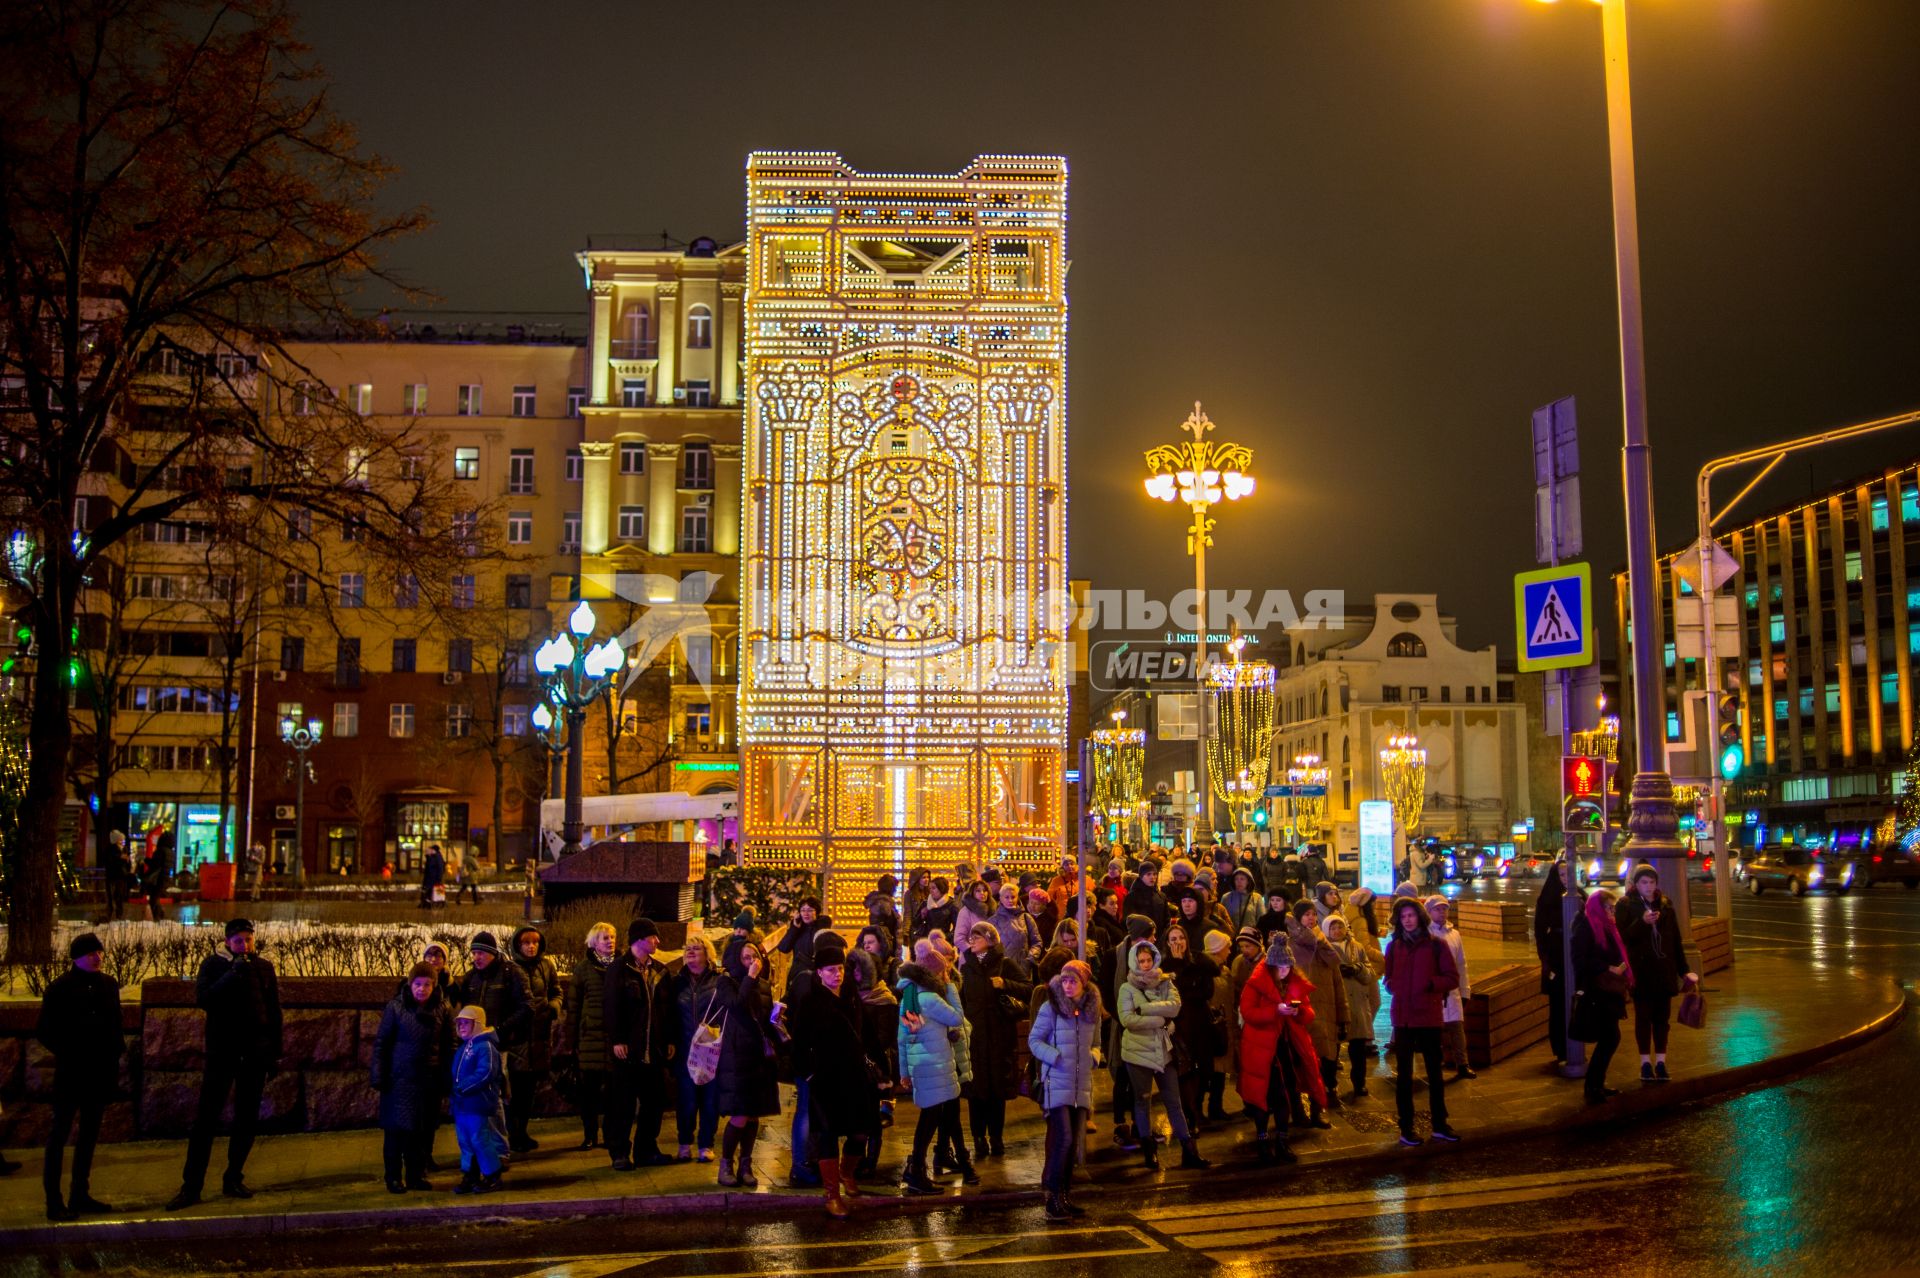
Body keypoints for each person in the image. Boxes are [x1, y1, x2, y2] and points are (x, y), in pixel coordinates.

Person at [166, 919, 284, 1210]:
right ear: (228, 941)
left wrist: (274, 1052)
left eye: (248, 939)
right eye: (238, 940)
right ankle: (191, 1186)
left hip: (254, 1054)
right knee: (206, 1120)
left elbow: (273, 1011)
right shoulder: (213, 965)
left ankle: (234, 1176)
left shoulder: (263, 968)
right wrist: (232, 974)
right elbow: (205, 999)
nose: (244, 945)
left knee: (246, 1119)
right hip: (223, 1053)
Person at [785, 932, 879, 1217]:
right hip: (825, 1078)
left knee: (861, 1131)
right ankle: (831, 1194)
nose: (837, 975)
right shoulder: (811, 1002)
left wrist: (878, 1065)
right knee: (826, 1135)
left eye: (840, 969)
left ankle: (846, 1172)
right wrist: (809, 1073)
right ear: (819, 973)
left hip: (854, 1075)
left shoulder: (851, 996)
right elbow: (799, 1042)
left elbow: (867, 1032)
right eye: (831, 970)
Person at [37, 932, 123, 1220]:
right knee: (59, 1135)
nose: (98, 957)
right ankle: (54, 1200)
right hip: (72, 1073)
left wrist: (113, 1056)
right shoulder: (60, 988)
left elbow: (115, 1026)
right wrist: (71, 1051)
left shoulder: (108, 985)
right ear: (76, 957)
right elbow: (46, 1030)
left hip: (98, 1072)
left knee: (88, 1135)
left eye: (99, 952)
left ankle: (80, 1194)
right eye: (91, 954)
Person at [1117, 937, 1207, 1170]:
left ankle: (1189, 1150)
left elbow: (1175, 1007)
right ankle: (1150, 1153)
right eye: (1141, 961)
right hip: (1138, 1053)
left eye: (1148, 960)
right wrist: (1161, 1019)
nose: (1146, 965)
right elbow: (1128, 1020)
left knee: (1173, 1101)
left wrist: (1146, 1010)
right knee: (1142, 1101)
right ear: (1133, 962)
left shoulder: (1165, 982)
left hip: (1164, 1051)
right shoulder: (1127, 988)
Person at [1382, 897, 1460, 1147]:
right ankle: (1406, 1127)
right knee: (1404, 1076)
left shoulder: (1436, 946)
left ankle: (1440, 1124)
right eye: (1403, 916)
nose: (1407, 920)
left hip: (1428, 1016)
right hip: (1403, 1019)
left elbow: (1451, 977)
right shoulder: (1394, 947)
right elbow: (1388, 976)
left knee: (1435, 1075)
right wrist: (1394, 986)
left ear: (1419, 917)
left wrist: (1430, 985)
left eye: (1410, 915)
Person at [1237, 939, 1322, 1165]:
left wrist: (1297, 1013)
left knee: (1286, 1094)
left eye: (1287, 967)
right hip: (1262, 1050)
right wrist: (1274, 1010)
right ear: (1271, 967)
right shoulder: (1255, 985)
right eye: (1280, 967)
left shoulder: (1294, 983)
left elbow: (1309, 1012)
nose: (1284, 972)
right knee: (1264, 1097)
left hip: (1286, 1048)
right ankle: (1263, 1140)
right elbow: (1248, 1013)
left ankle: (1283, 1141)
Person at [896, 940, 972, 1193]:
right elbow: (956, 1017)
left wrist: (904, 1072)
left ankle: (918, 1168)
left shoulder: (910, 996)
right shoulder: (929, 997)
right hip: (936, 1064)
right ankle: (916, 1170)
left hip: (922, 1065)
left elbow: (902, 1037)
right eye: (943, 972)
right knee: (929, 1120)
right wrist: (950, 987)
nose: (945, 975)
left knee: (932, 1116)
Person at [371, 962, 454, 1193]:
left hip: (428, 1080)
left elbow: (450, 1045)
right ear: (410, 984)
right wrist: (379, 1075)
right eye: (418, 984)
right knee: (395, 1133)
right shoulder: (396, 1008)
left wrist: (448, 1077)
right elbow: (382, 1044)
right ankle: (394, 1176)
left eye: (427, 984)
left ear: (434, 985)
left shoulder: (443, 1008)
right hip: (398, 1080)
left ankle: (416, 1176)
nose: (422, 989)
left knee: (420, 1133)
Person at [1029, 958, 1100, 1221]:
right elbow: (1034, 1040)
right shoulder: (1051, 1008)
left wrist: (1094, 1056)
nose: (1068, 985)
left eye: (1074, 980)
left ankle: (1065, 1196)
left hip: (1081, 1085)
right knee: (1064, 1139)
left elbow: (1097, 1041)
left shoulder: (1091, 1009)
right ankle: (1052, 1198)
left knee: (1073, 1144)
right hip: (1056, 1083)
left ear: (1084, 983)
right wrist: (1055, 1057)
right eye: (1065, 980)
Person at [1616, 864, 1699, 1082]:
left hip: (1664, 970)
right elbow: (1622, 939)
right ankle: (1645, 1063)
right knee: (1643, 1018)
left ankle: (1661, 1061)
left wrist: (1684, 970)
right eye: (1644, 882)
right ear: (1636, 884)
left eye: (1652, 882)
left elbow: (1675, 940)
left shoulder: (1665, 905)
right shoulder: (1626, 904)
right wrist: (1641, 923)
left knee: (1662, 1019)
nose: (1649, 887)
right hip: (1641, 971)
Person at [958, 922, 1031, 1160]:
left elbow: (1028, 988)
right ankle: (978, 1137)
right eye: (971, 937)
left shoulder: (1005, 964)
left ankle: (996, 1136)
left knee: (996, 1091)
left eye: (977, 937)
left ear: (990, 939)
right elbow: (961, 1000)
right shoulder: (966, 968)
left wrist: (1005, 984)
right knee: (976, 1091)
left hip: (1000, 1036)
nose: (972, 941)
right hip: (975, 1038)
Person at [605, 918, 673, 1169]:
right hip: (629, 1050)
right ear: (640, 939)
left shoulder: (660, 971)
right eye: (653, 937)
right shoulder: (619, 969)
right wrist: (617, 1039)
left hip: (653, 1050)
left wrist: (668, 1039)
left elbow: (666, 1010)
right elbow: (612, 1006)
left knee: (654, 1103)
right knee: (622, 1104)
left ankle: (647, 1149)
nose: (658, 941)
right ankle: (620, 1152)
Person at [715, 938, 780, 1187]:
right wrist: (749, 979)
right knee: (739, 1115)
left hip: (758, 1058)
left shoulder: (764, 985)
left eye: (756, 956)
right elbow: (736, 1006)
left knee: (753, 1115)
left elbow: (762, 1019)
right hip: (737, 1055)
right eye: (746, 957)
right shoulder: (727, 981)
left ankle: (746, 1164)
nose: (752, 961)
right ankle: (726, 1165)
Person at [457, 935, 533, 1144]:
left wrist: (499, 1030)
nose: (476, 957)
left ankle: (500, 1143)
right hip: (475, 1045)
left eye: (480, 953)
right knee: (481, 1094)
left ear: (492, 953)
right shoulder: (471, 977)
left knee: (497, 1095)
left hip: (500, 1044)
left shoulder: (511, 973)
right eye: (473, 953)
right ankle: (482, 1141)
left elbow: (527, 1006)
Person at [1286, 903, 1347, 1125]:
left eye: (1313, 914)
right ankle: (1297, 1111)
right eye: (1306, 915)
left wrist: (1344, 1015)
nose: (1311, 919)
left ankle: (1317, 1108)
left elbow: (1337, 979)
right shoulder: (1290, 944)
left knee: (1322, 1063)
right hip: (1300, 1013)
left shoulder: (1325, 945)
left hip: (1326, 1012)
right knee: (1299, 1065)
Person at [669, 933, 726, 1162]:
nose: (691, 952)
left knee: (710, 1100)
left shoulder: (718, 980)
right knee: (687, 1100)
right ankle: (684, 1143)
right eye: (688, 949)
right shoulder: (677, 982)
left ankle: (706, 1144)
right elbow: (669, 1016)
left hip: (711, 1050)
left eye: (696, 948)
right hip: (685, 1049)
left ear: (708, 954)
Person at [1571, 889, 1631, 1103]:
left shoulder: (1608, 927)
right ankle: (1593, 1086)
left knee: (1610, 1037)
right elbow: (1579, 958)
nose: (1611, 911)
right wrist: (1606, 967)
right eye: (1608, 907)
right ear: (1598, 907)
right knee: (1610, 1037)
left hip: (1610, 990)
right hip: (1597, 989)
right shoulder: (1586, 926)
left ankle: (1596, 1084)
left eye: (1612, 908)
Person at [1161, 922, 1221, 1135]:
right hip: (1180, 1026)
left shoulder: (1198, 959)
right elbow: (1172, 995)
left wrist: (1186, 971)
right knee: (1185, 1071)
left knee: (1205, 1068)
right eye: (1174, 939)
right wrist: (1179, 969)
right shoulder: (1166, 966)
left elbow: (1207, 988)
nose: (1179, 943)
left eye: (1181, 938)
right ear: (1167, 943)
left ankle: (1199, 1105)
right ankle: (1190, 1112)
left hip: (1200, 1023)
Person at [844, 946, 898, 1179]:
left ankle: (870, 1161)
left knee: (874, 1118)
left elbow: (885, 1036)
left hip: (875, 1066)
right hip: (855, 1065)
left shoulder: (884, 999)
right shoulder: (850, 996)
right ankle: (855, 1159)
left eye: (860, 969)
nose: (855, 974)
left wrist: (865, 1054)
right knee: (857, 1115)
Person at [564, 922, 618, 1150]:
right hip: (590, 1040)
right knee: (589, 1094)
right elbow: (573, 1007)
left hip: (614, 1040)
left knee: (613, 1095)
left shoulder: (621, 966)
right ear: (594, 942)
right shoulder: (583, 969)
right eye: (605, 937)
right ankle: (589, 1134)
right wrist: (571, 1040)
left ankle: (609, 1134)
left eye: (613, 937)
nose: (610, 941)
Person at [507, 926, 559, 1154]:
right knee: (514, 1090)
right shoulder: (509, 968)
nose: (531, 947)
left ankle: (522, 1132)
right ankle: (512, 1134)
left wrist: (553, 1008)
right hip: (517, 1038)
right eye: (526, 943)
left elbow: (556, 991)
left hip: (539, 1037)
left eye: (535, 942)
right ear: (518, 946)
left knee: (529, 1090)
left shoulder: (546, 966)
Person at [1322, 913, 1383, 1099]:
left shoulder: (1356, 947)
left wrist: (1357, 969)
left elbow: (1369, 973)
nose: (1337, 931)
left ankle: (1359, 1083)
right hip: (1336, 1005)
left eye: (1340, 926)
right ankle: (1330, 1084)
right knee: (1332, 1049)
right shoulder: (1323, 949)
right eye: (1333, 928)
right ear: (1326, 930)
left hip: (1357, 1004)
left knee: (1357, 1049)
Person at [449, 1005, 507, 1193]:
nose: (462, 1026)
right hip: (463, 1105)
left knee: (479, 1139)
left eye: (466, 1022)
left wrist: (462, 1086)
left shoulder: (485, 1047)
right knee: (465, 1140)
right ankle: (471, 1174)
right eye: (459, 1023)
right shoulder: (466, 1047)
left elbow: (486, 1072)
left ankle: (492, 1175)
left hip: (477, 1103)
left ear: (478, 1024)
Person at [1534, 860, 1582, 1063]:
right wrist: (1545, 959)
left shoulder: (1580, 896)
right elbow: (1539, 931)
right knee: (1559, 1004)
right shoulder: (1548, 898)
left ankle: (1577, 1043)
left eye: (1569, 875)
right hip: (1556, 956)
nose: (1566, 879)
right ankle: (1561, 1048)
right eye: (1562, 875)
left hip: (1577, 954)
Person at [1425, 896, 1474, 1079]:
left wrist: (1465, 989)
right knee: (1434, 1032)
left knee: (1457, 1029)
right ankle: (1434, 1066)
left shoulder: (1454, 934)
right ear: (1429, 912)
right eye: (1437, 909)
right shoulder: (1425, 933)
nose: (1442, 912)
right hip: (1434, 990)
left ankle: (1462, 1064)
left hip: (1452, 990)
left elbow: (1461, 964)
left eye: (1444, 908)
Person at [988, 883, 1042, 976]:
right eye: (1007, 897)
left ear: (1017, 898)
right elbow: (987, 946)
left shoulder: (1026, 917)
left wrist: (1029, 959)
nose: (1010, 900)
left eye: (1013, 897)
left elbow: (1037, 942)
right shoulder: (993, 921)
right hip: (1001, 970)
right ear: (1001, 898)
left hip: (1023, 969)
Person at [1125, 861, 1170, 934]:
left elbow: (1167, 919)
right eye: (1148, 874)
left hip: (1159, 939)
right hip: (1141, 938)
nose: (1152, 877)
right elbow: (1129, 921)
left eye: (1154, 874)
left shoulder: (1161, 896)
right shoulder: (1132, 896)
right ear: (1141, 876)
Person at [915, 875, 958, 945]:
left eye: (933, 888)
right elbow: (915, 924)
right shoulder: (925, 903)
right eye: (930, 888)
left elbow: (957, 927)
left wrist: (946, 938)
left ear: (942, 889)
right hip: (927, 943)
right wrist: (921, 916)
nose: (931, 891)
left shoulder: (951, 904)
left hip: (944, 942)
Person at [855, 925, 898, 991]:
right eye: (864, 943)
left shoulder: (893, 963)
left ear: (881, 943)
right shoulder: (859, 965)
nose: (866, 946)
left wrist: (875, 992)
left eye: (870, 942)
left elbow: (899, 988)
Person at [865, 874, 902, 949]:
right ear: (889, 888)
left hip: (887, 943)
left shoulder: (882, 902)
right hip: (886, 945)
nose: (895, 890)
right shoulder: (883, 904)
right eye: (894, 888)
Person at [1221, 867, 1262, 934]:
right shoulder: (1226, 897)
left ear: (1248, 881)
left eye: (1242, 879)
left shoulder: (1257, 898)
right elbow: (1222, 919)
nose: (1239, 881)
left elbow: (1261, 921)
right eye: (1236, 879)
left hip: (1249, 938)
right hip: (1231, 937)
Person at [955, 879, 996, 944]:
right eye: (978, 891)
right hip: (972, 951)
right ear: (972, 893)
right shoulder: (965, 912)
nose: (982, 893)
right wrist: (969, 951)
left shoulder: (992, 911)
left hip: (989, 952)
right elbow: (959, 938)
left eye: (985, 890)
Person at [103, 833, 130, 922]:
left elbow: (127, 863)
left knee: (119, 896)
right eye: (121, 839)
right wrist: (120, 858)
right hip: (112, 876)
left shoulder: (125, 849)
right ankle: (109, 915)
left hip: (122, 876)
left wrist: (127, 861)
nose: (123, 841)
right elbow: (109, 861)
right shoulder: (110, 849)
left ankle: (119, 916)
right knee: (111, 896)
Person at [419, 844, 445, 909]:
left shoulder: (437, 857)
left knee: (431, 892)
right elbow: (429, 867)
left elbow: (440, 868)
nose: (430, 851)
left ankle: (436, 904)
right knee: (428, 892)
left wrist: (439, 878)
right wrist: (427, 856)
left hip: (433, 878)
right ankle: (426, 904)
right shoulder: (433, 857)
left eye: (431, 850)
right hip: (430, 878)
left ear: (434, 850)